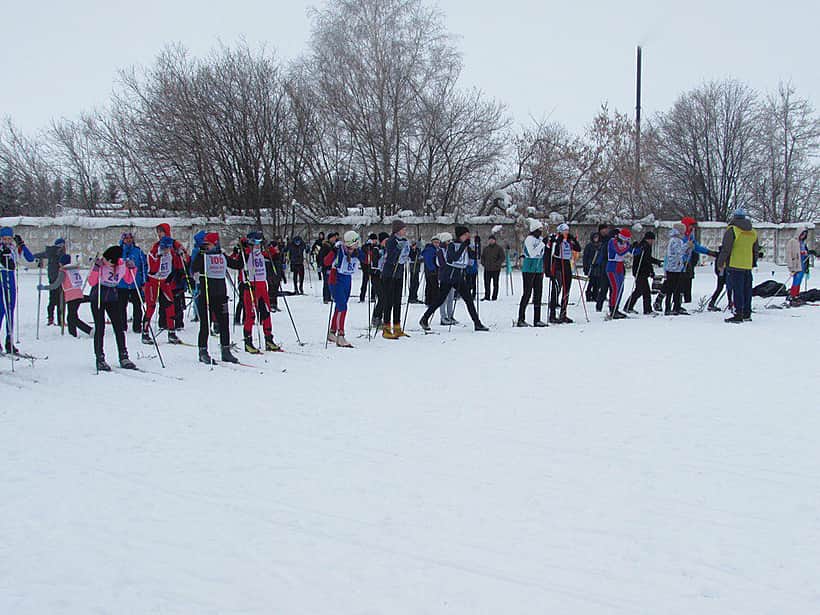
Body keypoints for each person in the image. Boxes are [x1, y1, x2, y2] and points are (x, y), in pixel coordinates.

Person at [419, 226, 489, 333]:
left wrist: (477, 245)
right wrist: (463, 247)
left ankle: (477, 323)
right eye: (466, 234)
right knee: (440, 299)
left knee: (469, 299)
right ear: (461, 235)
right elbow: (453, 258)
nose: (468, 236)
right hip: (448, 277)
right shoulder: (452, 245)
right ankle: (425, 318)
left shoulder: (465, 245)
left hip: (458, 277)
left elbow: (475, 256)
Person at [190, 232, 241, 364]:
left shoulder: (222, 255)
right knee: (205, 325)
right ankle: (203, 351)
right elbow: (194, 268)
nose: (207, 246)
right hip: (205, 295)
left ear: (215, 243)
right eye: (205, 244)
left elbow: (237, 265)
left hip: (220, 295)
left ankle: (225, 351)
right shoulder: (203, 255)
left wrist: (242, 251)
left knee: (224, 324)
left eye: (209, 244)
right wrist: (201, 253)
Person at [87, 245, 138, 371]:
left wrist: (133, 268)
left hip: (113, 297)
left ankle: (123, 356)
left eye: (108, 260)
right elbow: (91, 282)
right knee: (100, 327)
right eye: (105, 259)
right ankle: (100, 358)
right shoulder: (101, 264)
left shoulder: (120, 264)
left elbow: (129, 280)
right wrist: (96, 268)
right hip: (98, 296)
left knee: (119, 327)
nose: (106, 261)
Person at [143, 224, 186, 345]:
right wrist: (159, 255)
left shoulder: (172, 247)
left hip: (164, 281)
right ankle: (145, 332)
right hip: (153, 281)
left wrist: (180, 253)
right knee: (151, 306)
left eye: (161, 232)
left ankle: (171, 332)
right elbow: (152, 268)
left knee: (170, 305)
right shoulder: (155, 249)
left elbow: (179, 258)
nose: (159, 234)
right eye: (158, 232)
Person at [239, 230, 280, 353]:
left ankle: (269, 339)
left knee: (266, 313)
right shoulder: (246, 253)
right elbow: (237, 261)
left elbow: (274, 253)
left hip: (263, 286)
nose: (258, 245)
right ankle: (248, 341)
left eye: (260, 242)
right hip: (251, 286)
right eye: (256, 242)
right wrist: (243, 245)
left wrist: (271, 247)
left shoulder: (261, 253)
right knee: (250, 315)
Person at [717, 208, 759, 323]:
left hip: (735, 264)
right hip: (747, 265)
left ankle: (738, 314)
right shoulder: (753, 231)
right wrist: (753, 262)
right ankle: (747, 313)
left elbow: (726, 248)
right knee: (747, 290)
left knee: (737, 290)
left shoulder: (732, 230)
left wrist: (720, 262)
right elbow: (755, 249)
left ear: (734, 217)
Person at [37, 254, 92, 338]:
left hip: (72, 297)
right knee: (71, 317)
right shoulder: (73, 270)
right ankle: (72, 334)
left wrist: (44, 287)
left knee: (72, 318)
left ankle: (90, 331)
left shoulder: (63, 272)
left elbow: (56, 285)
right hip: (78, 294)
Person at [325, 231, 363, 348]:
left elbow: (366, 259)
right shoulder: (339, 250)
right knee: (342, 306)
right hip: (336, 280)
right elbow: (326, 262)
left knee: (340, 306)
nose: (357, 245)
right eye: (356, 243)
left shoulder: (356, 252)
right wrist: (333, 252)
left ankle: (332, 332)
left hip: (347, 279)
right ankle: (340, 335)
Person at [0, 227, 35, 354]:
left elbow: (30, 259)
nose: (7, 241)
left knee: (10, 309)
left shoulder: (14, 248)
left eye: (9, 239)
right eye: (4, 239)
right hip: (1, 278)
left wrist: (21, 245)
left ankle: (9, 341)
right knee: (1, 310)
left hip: (11, 278)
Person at [381, 220, 411, 339]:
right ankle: (386, 328)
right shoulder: (391, 241)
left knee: (397, 301)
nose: (405, 231)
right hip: (389, 274)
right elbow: (391, 258)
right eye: (403, 229)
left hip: (399, 273)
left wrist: (414, 250)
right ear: (398, 230)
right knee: (389, 301)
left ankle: (397, 327)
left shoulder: (404, 241)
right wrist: (398, 249)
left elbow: (407, 255)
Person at [548, 223, 581, 324]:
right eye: (564, 230)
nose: (566, 232)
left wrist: (574, 240)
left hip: (566, 264)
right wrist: (559, 240)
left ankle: (563, 313)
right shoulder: (556, 239)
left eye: (567, 230)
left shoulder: (569, 240)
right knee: (557, 289)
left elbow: (578, 249)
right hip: (558, 264)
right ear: (560, 231)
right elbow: (555, 251)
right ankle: (552, 314)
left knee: (567, 289)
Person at [680, 217, 718, 304]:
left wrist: (709, 252)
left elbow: (696, 247)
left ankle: (687, 301)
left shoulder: (690, 235)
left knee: (688, 279)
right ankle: (677, 302)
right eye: (691, 226)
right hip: (680, 263)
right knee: (679, 282)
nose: (692, 228)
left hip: (688, 261)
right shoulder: (680, 236)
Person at [516, 219, 547, 327]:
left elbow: (544, 251)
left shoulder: (541, 239)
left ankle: (537, 319)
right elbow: (533, 253)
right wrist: (543, 244)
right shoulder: (529, 239)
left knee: (538, 294)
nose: (541, 232)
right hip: (529, 269)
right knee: (527, 293)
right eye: (539, 229)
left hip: (538, 269)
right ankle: (521, 319)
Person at [624, 231, 663, 314]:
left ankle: (628, 306)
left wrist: (657, 262)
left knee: (638, 291)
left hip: (640, 271)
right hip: (640, 271)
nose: (652, 242)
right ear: (648, 239)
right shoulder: (644, 246)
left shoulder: (644, 245)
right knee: (646, 292)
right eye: (652, 240)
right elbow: (646, 260)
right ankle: (647, 310)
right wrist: (651, 271)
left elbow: (648, 258)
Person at [32, 237, 67, 326]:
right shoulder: (61, 252)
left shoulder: (50, 252)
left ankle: (51, 319)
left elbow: (39, 255)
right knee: (60, 301)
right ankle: (60, 321)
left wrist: (37, 258)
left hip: (52, 278)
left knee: (52, 300)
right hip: (60, 278)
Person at [117, 232, 147, 333]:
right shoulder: (119, 251)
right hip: (122, 284)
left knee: (137, 306)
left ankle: (137, 326)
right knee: (121, 306)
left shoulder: (138, 251)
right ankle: (121, 326)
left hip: (135, 282)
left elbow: (143, 266)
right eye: (126, 239)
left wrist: (144, 282)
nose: (129, 240)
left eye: (130, 238)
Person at [663, 223, 693, 316]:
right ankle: (669, 308)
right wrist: (687, 245)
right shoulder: (675, 240)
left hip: (676, 267)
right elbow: (678, 252)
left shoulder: (676, 240)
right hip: (673, 268)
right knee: (672, 289)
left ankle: (676, 306)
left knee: (676, 289)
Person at [605, 228, 632, 319]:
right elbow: (619, 252)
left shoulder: (625, 243)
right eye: (626, 239)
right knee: (615, 289)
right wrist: (628, 247)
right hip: (612, 266)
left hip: (620, 267)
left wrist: (639, 247)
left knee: (621, 289)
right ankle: (612, 309)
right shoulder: (613, 241)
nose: (627, 241)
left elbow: (632, 251)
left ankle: (616, 308)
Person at [786, 227, 816, 306]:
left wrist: (807, 253)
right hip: (796, 263)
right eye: (802, 234)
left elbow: (804, 251)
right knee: (796, 279)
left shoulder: (802, 242)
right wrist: (790, 266)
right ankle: (792, 295)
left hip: (802, 262)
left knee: (799, 279)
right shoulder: (792, 242)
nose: (803, 236)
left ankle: (796, 294)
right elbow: (789, 254)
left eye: (805, 235)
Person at [435, 233, 459, 325]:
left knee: (451, 297)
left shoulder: (451, 249)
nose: (450, 243)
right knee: (443, 298)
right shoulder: (440, 251)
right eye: (448, 241)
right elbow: (440, 263)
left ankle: (450, 315)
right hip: (444, 276)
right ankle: (443, 316)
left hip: (452, 276)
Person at [369, 232, 388, 327]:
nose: (387, 242)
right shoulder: (376, 250)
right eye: (385, 241)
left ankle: (378, 317)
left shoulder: (386, 250)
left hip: (384, 277)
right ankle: (376, 318)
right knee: (382, 298)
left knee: (384, 299)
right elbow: (374, 264)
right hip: (376, 277)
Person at [480, 235, 505, 301]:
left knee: (495, 283)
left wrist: (497, 264)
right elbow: (482, 257)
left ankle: (494, 296)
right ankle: (487, 296)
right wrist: (484, 263)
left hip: (496, 269)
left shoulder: (499, 248)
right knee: (486, 283)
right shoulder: (486, 248)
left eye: (492, 240)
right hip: (487, 269)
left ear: (495, 240)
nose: (491, 241)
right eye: (490, 240)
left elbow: (502, 257)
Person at [593, 224, 612, 311]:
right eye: (603, 230)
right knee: (604, 286)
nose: (605, 231)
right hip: (603, 264)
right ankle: (599, 305)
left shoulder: (610, 238)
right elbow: (598, 250)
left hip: (610, 262)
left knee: (612, 286)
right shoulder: (598, 238)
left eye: (606, 229)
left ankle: (612, 305)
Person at [318, 232, 338, 304]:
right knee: (326, 282)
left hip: (333, 267)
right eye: (332, 238)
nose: (334, 239)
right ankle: (325, 297)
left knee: (331, 282)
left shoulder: (334, 246)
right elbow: (321, 256)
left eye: (334, 238)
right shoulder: (325, 246)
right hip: (326, 267)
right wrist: (321, 265)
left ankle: (329, 296)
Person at [421, 235, 440, 307]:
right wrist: (433, 269)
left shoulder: (434, 249)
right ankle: (433, 301)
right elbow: (428, 261)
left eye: (438, 242)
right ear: (432, 242)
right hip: (431, 271)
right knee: (434, 286)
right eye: (435, 242)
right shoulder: (430, 249)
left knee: (430, 286)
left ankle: (429, 301)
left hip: (431, 270)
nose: (437, 244)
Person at [267, 239, 286, 311]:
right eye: (276, 247)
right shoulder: (270, 255)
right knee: (271, 290)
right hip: (271, 276)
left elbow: (280, 266)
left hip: (277, 276)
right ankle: (270, 304)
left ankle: (274, 304)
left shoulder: (278, 255)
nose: (277, 249)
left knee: (275, 291)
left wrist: (283, 276)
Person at [359, 233, 378, 303]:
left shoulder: (375, 247)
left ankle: (373, 297)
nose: (375, 241)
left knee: (374, 283)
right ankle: (362, 297)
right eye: (374, 240)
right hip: (366, 266)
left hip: (372, 266)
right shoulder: (365, 246)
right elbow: (362, 255)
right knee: (364, 282)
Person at [408, 239, 422, 303]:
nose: (414, 247)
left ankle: (414, 296)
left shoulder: (417, 250)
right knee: (413, 283)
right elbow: (411, 256)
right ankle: (411, 297)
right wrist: (414, 251)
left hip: (416, 268)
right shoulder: (410, 250)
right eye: (413, 245)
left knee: (416, 283)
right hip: (412, 268)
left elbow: (419, 257)